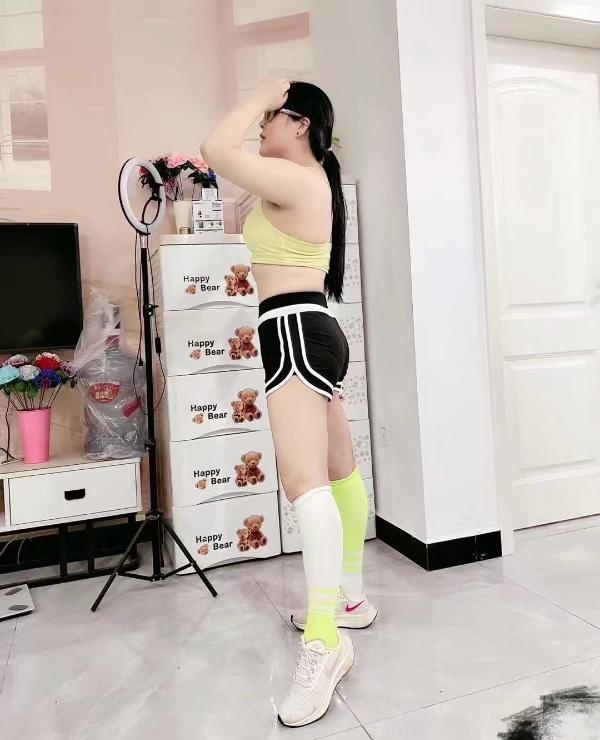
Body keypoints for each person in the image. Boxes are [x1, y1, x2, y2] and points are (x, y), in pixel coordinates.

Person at [201, 79, 377, 727]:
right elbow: (235, 201)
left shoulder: (300, 178)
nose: (261, 125)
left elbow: (214, 148)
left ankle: (325, 642)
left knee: (305, 484)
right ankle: (350, 599)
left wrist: (258, 94)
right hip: (310, 327)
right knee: (337, 469)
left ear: (300, 124)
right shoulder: (303, 181)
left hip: (296, 332)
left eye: (271, 117)